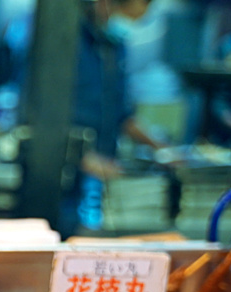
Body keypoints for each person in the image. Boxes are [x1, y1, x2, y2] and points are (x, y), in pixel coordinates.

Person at [60, 0, 167, 235]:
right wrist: (81, 158)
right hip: (63, 175)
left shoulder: (114, 45)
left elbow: (121, 113)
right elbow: (45, 114)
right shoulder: (64, 43)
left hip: (103, 177)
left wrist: (163, 149)